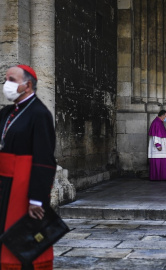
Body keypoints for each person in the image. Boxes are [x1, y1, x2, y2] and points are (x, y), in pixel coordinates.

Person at [0, 65, 56, 270]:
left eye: (12, 80)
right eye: (5, 79)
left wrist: (37, 199)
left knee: (23, 241)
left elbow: (44, 160)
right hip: (4, 184)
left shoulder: (39, 113)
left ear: (28, 85)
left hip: (23, 188)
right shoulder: (7, 112)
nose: (6, 84)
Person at [148, 110, 166, 180]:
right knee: (159, 162)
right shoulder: (157, 122)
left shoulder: (159, 122)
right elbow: (156, 135)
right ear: (163, 115)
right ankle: (159, 177)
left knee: (162, 162)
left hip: (161, 146)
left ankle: (161, 177)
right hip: (159, 148)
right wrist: (158, 145)